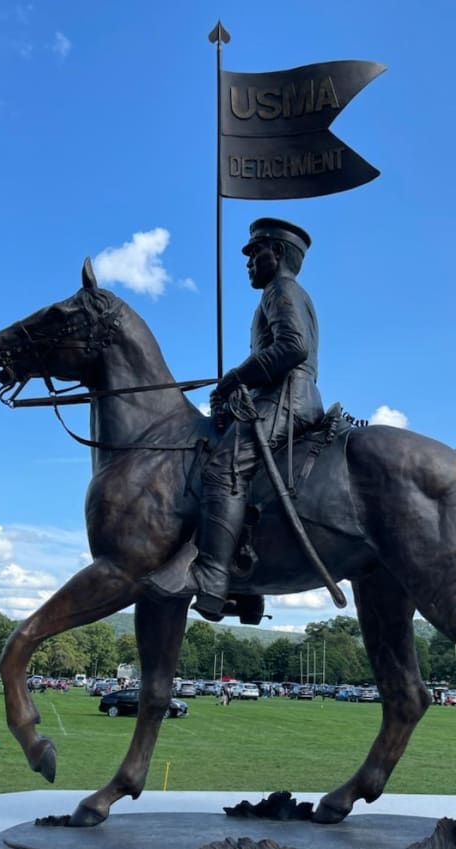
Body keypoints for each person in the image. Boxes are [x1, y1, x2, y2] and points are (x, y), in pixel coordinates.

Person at [148, 218, 324, 621]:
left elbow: (292, 348)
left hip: (286, 399)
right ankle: (247, 590)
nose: (247, 262)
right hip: (279, 397)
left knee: (223, 468)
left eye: (254, 253)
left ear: (276, 254)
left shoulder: (281, 289)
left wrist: (234, 378)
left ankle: (212, 576)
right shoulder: (283, 293)